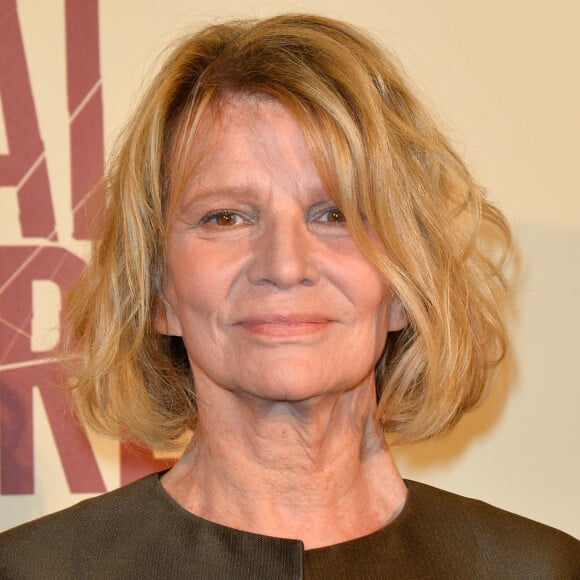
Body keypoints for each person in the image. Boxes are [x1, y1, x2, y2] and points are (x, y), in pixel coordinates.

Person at [0, 13, 577, 579]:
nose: (283, 264)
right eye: (225, 218)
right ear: (157, 291)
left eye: (335, 214)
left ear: (404, 285)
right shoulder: (33, 571)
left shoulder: (539, 569)